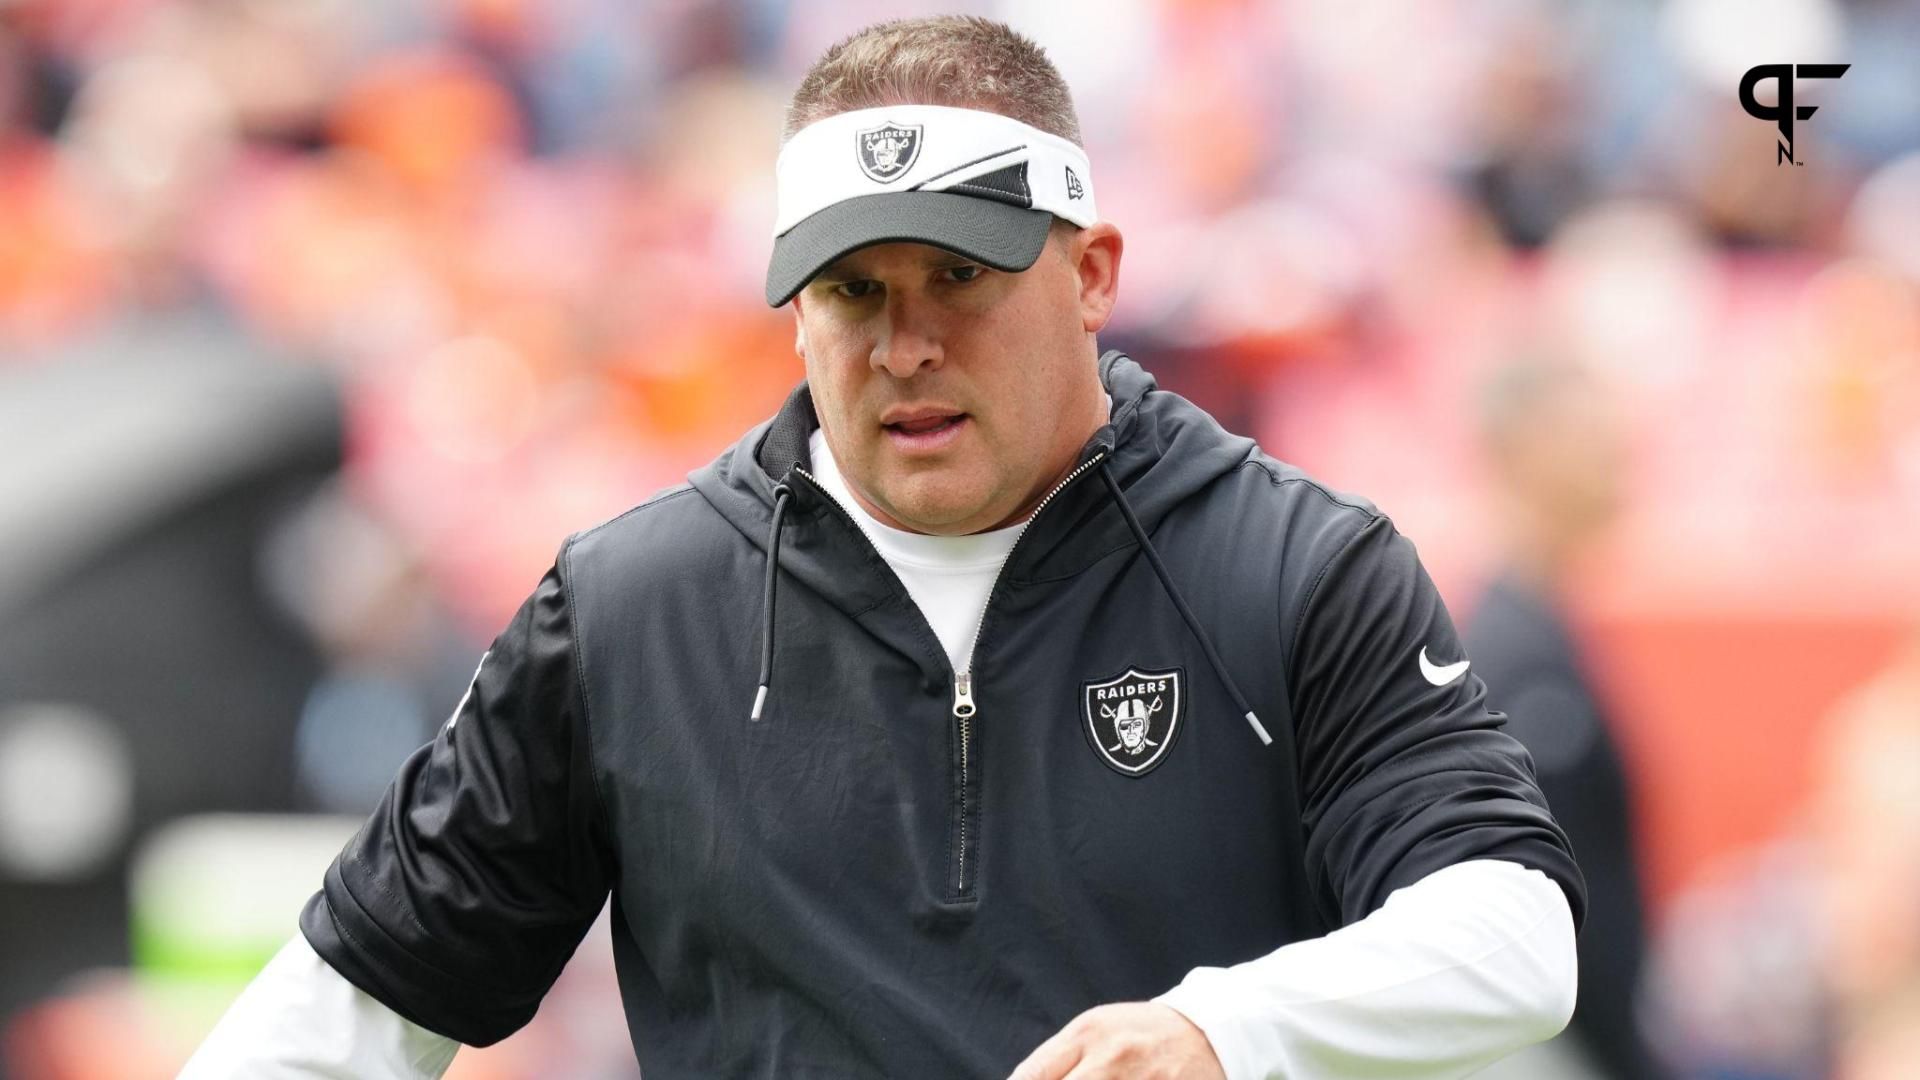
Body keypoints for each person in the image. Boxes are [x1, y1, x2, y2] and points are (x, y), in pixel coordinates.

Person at [183, 16, 1585, 1080]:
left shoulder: (1288, 566)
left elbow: (1516, 933)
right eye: (854, 290)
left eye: (960, 280)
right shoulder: (629, 612)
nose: (905, 346)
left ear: (1092, 274)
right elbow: (352, 1005)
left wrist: (1224, 1027)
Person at [1463, 357, 1668, 1080]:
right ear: (1526, 448)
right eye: (1590, 432)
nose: (1619, 452)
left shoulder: (1533, 635)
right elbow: (1552, 895)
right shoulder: (1511, 657)